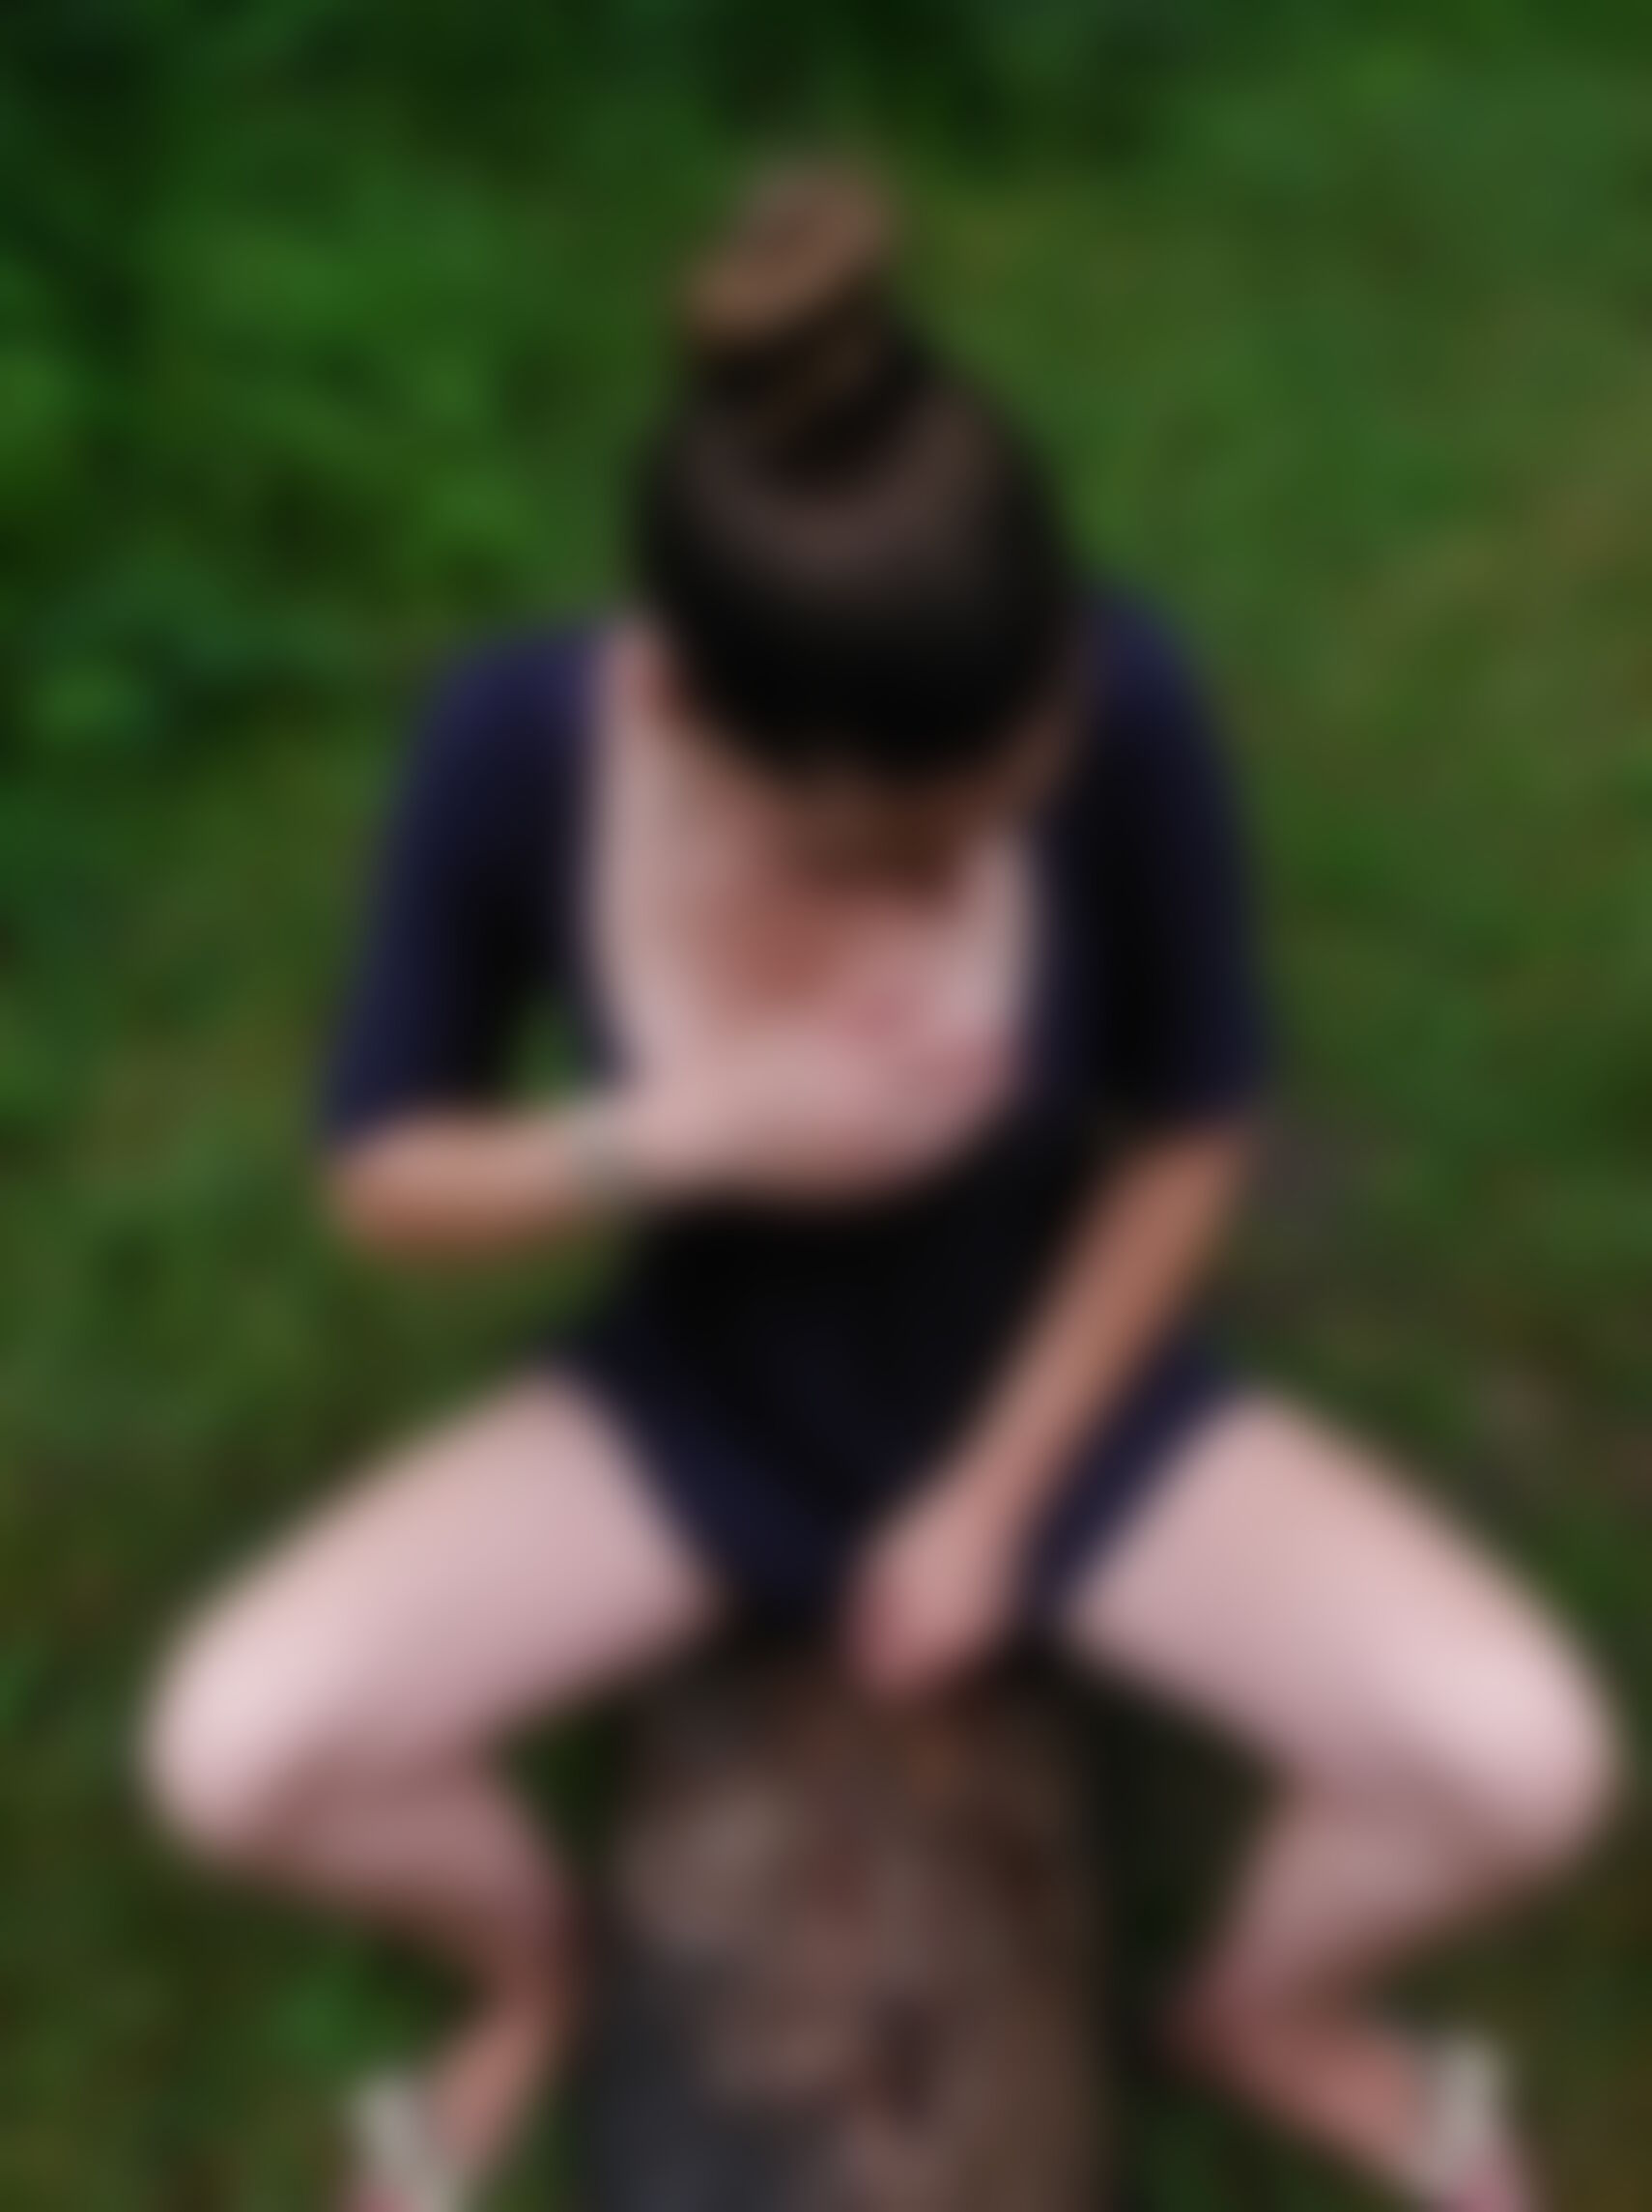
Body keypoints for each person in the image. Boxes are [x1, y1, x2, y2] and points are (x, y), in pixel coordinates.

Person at [144, 169, 1619, 2212]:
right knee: (237, 1751)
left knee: (1522, 1759)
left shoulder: (1125, 701)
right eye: (884, 849)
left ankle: (1262, 2008)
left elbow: (1194, 1128)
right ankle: (539, 1975)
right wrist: (679, 1128)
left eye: (1003, 810)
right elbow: (379, 1179)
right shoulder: (513, 747)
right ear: (675, 708)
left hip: (1057, 1395)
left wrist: (996, 1497)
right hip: (696, 1411)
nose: (950, 884)